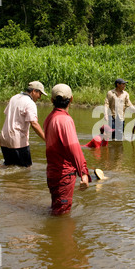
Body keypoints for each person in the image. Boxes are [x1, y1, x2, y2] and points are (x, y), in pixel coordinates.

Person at [43, 83, 91, 215]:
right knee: (62, 216)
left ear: (52, 100)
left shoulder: (49, 119)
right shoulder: (65, 120)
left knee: (56, 209)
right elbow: (73, 149)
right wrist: (84, 173)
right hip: (63, 175)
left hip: (52, 173)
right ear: (71, 99)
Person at [0, 81, 47, 167]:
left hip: (4, 138)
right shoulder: (30, 103)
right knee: (25, 169)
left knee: (9, 167)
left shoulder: (14, 97)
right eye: (40, 94)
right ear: (34, 91)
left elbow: (8, 114)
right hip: (18, 141)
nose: (39, 97)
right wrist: (47, 139)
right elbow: (34, 124)